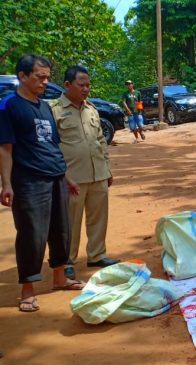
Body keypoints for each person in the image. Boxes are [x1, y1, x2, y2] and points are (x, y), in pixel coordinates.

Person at [0, 54, 85, 313]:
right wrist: (6, 184)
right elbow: (5, 149)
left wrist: (66, 177)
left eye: (47, 77)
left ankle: (60, 277)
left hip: (56, 176)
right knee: (32, 234)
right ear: (23, 76)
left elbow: (52, 146)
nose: (45, 82)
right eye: (40, 77)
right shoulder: (8, 106)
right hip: (28, 181)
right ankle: (28, 289)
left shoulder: (44, 106)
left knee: (61, 230)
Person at [51, 65, 120, 280]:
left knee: (98, 217)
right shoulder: (54, 110)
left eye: (88, 85)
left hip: (97, 172)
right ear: (67, 85)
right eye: (81, 85)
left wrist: (106, 168)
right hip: (72, 177)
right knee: (70, 222)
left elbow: (100, 140)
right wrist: (61, 174)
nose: (86, 89)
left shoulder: (91, 109)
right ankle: (67, 261)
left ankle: (97, 254)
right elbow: (51, 146)